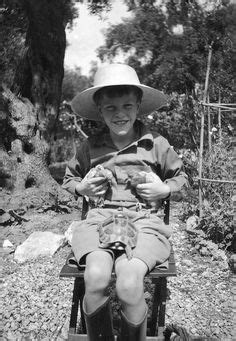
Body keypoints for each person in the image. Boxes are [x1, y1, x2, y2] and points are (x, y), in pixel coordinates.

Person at [62, 63, 188, 341]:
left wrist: (163, 190)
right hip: (98, 221)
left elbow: (183, 181)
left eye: (127, 106)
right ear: (99, 111)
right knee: (95, 277)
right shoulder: (89, 147)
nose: (120, 114)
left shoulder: (155, 144)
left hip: (145, 222)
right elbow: (68, 181)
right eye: (111, 108)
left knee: (129, 283)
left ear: (139, 105)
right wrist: (82, 187)